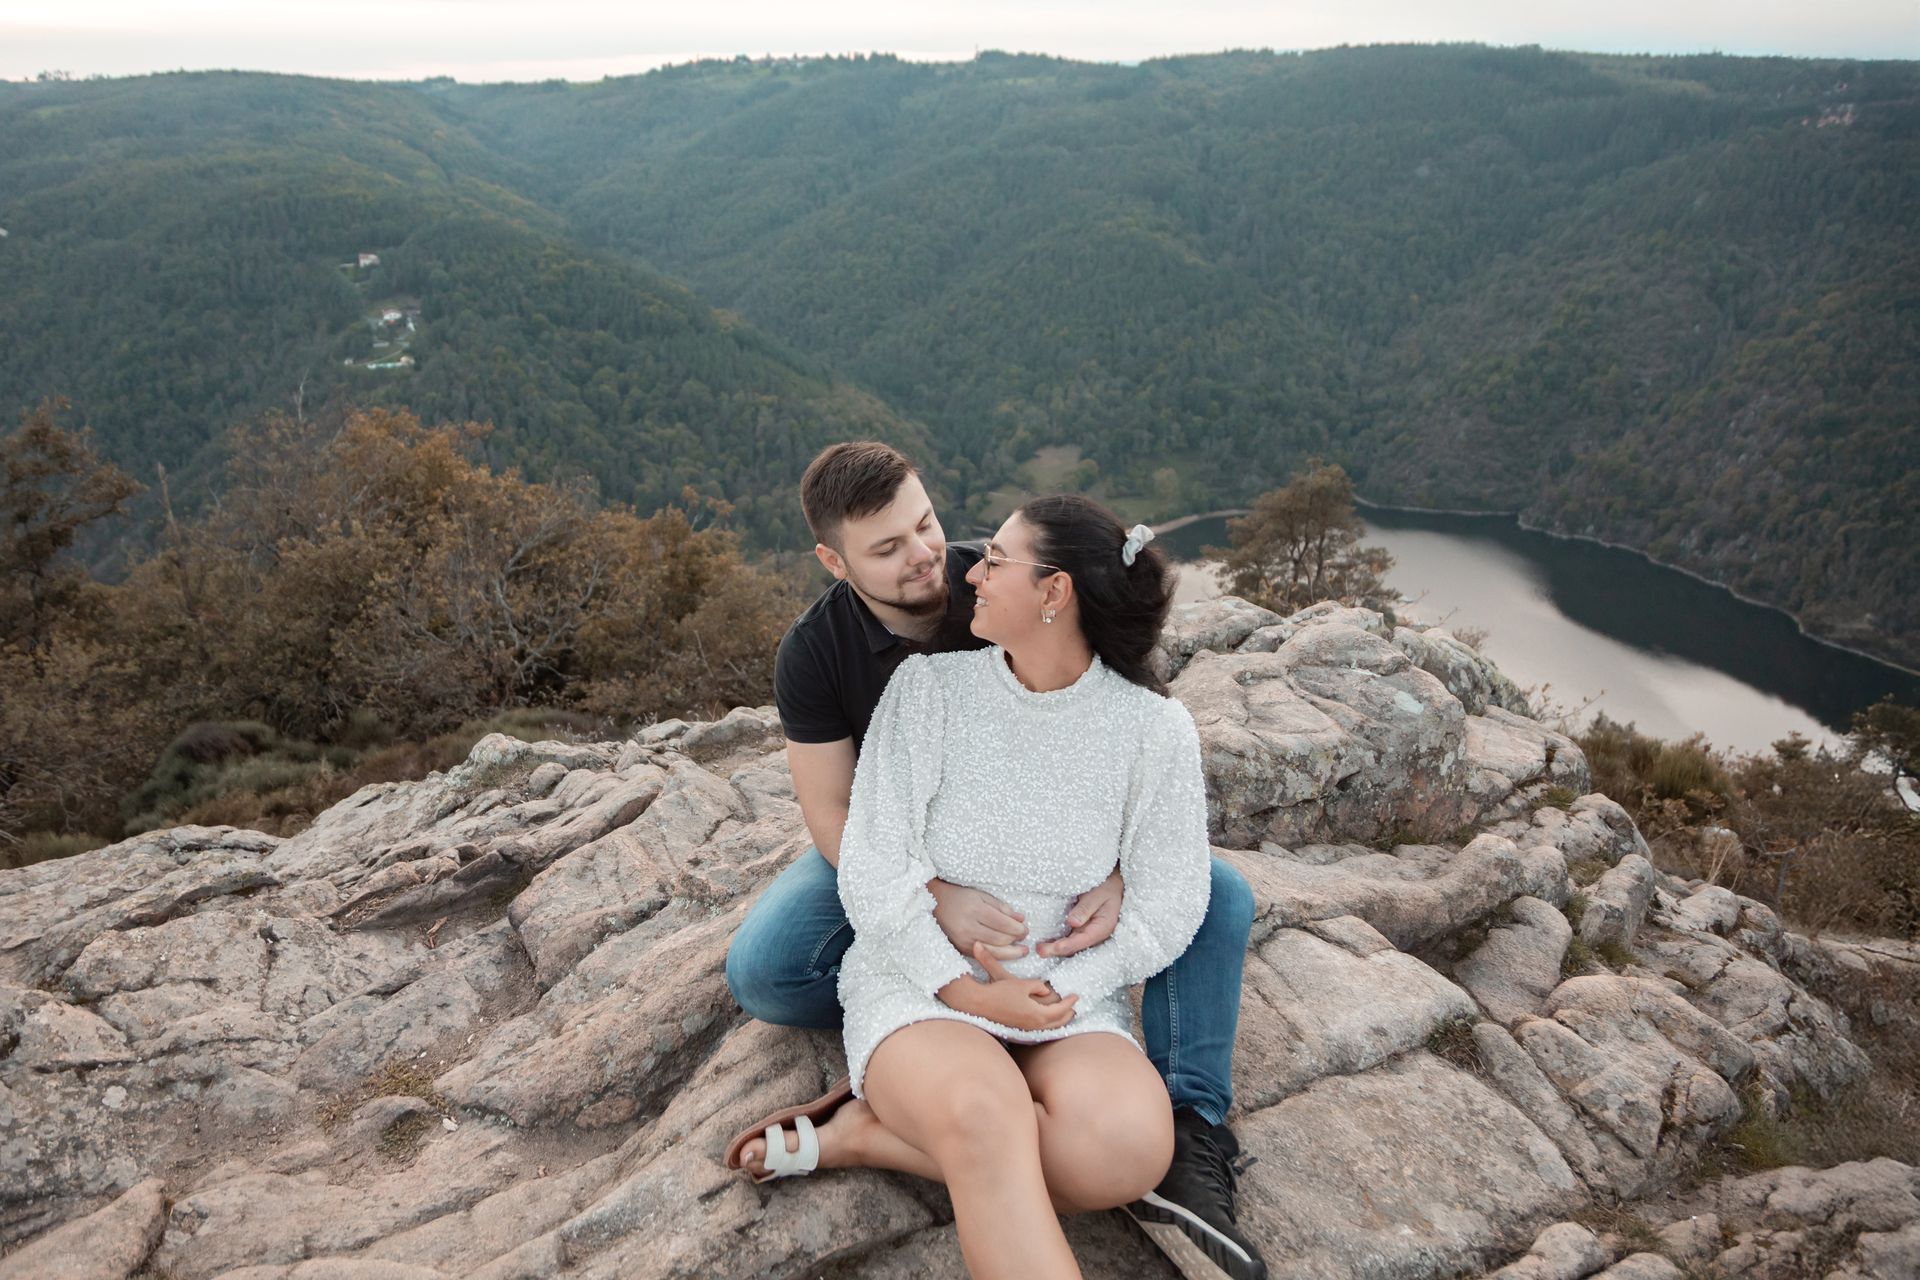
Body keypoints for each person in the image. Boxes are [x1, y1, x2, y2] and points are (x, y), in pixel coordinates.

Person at [724, 443, 1265, 1279]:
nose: (934, 559)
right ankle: (934, 1085)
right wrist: (938, 918)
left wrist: (1120, 879)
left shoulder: (1000, 579)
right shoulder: (833, 655)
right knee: (771, 971)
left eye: (928, 526)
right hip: (903, 866)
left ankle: (1185, 1126)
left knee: (1212, 904)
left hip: (1050, 937)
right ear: (836, 561)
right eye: (889, 548)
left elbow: (1119, 719)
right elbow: (839, 820)